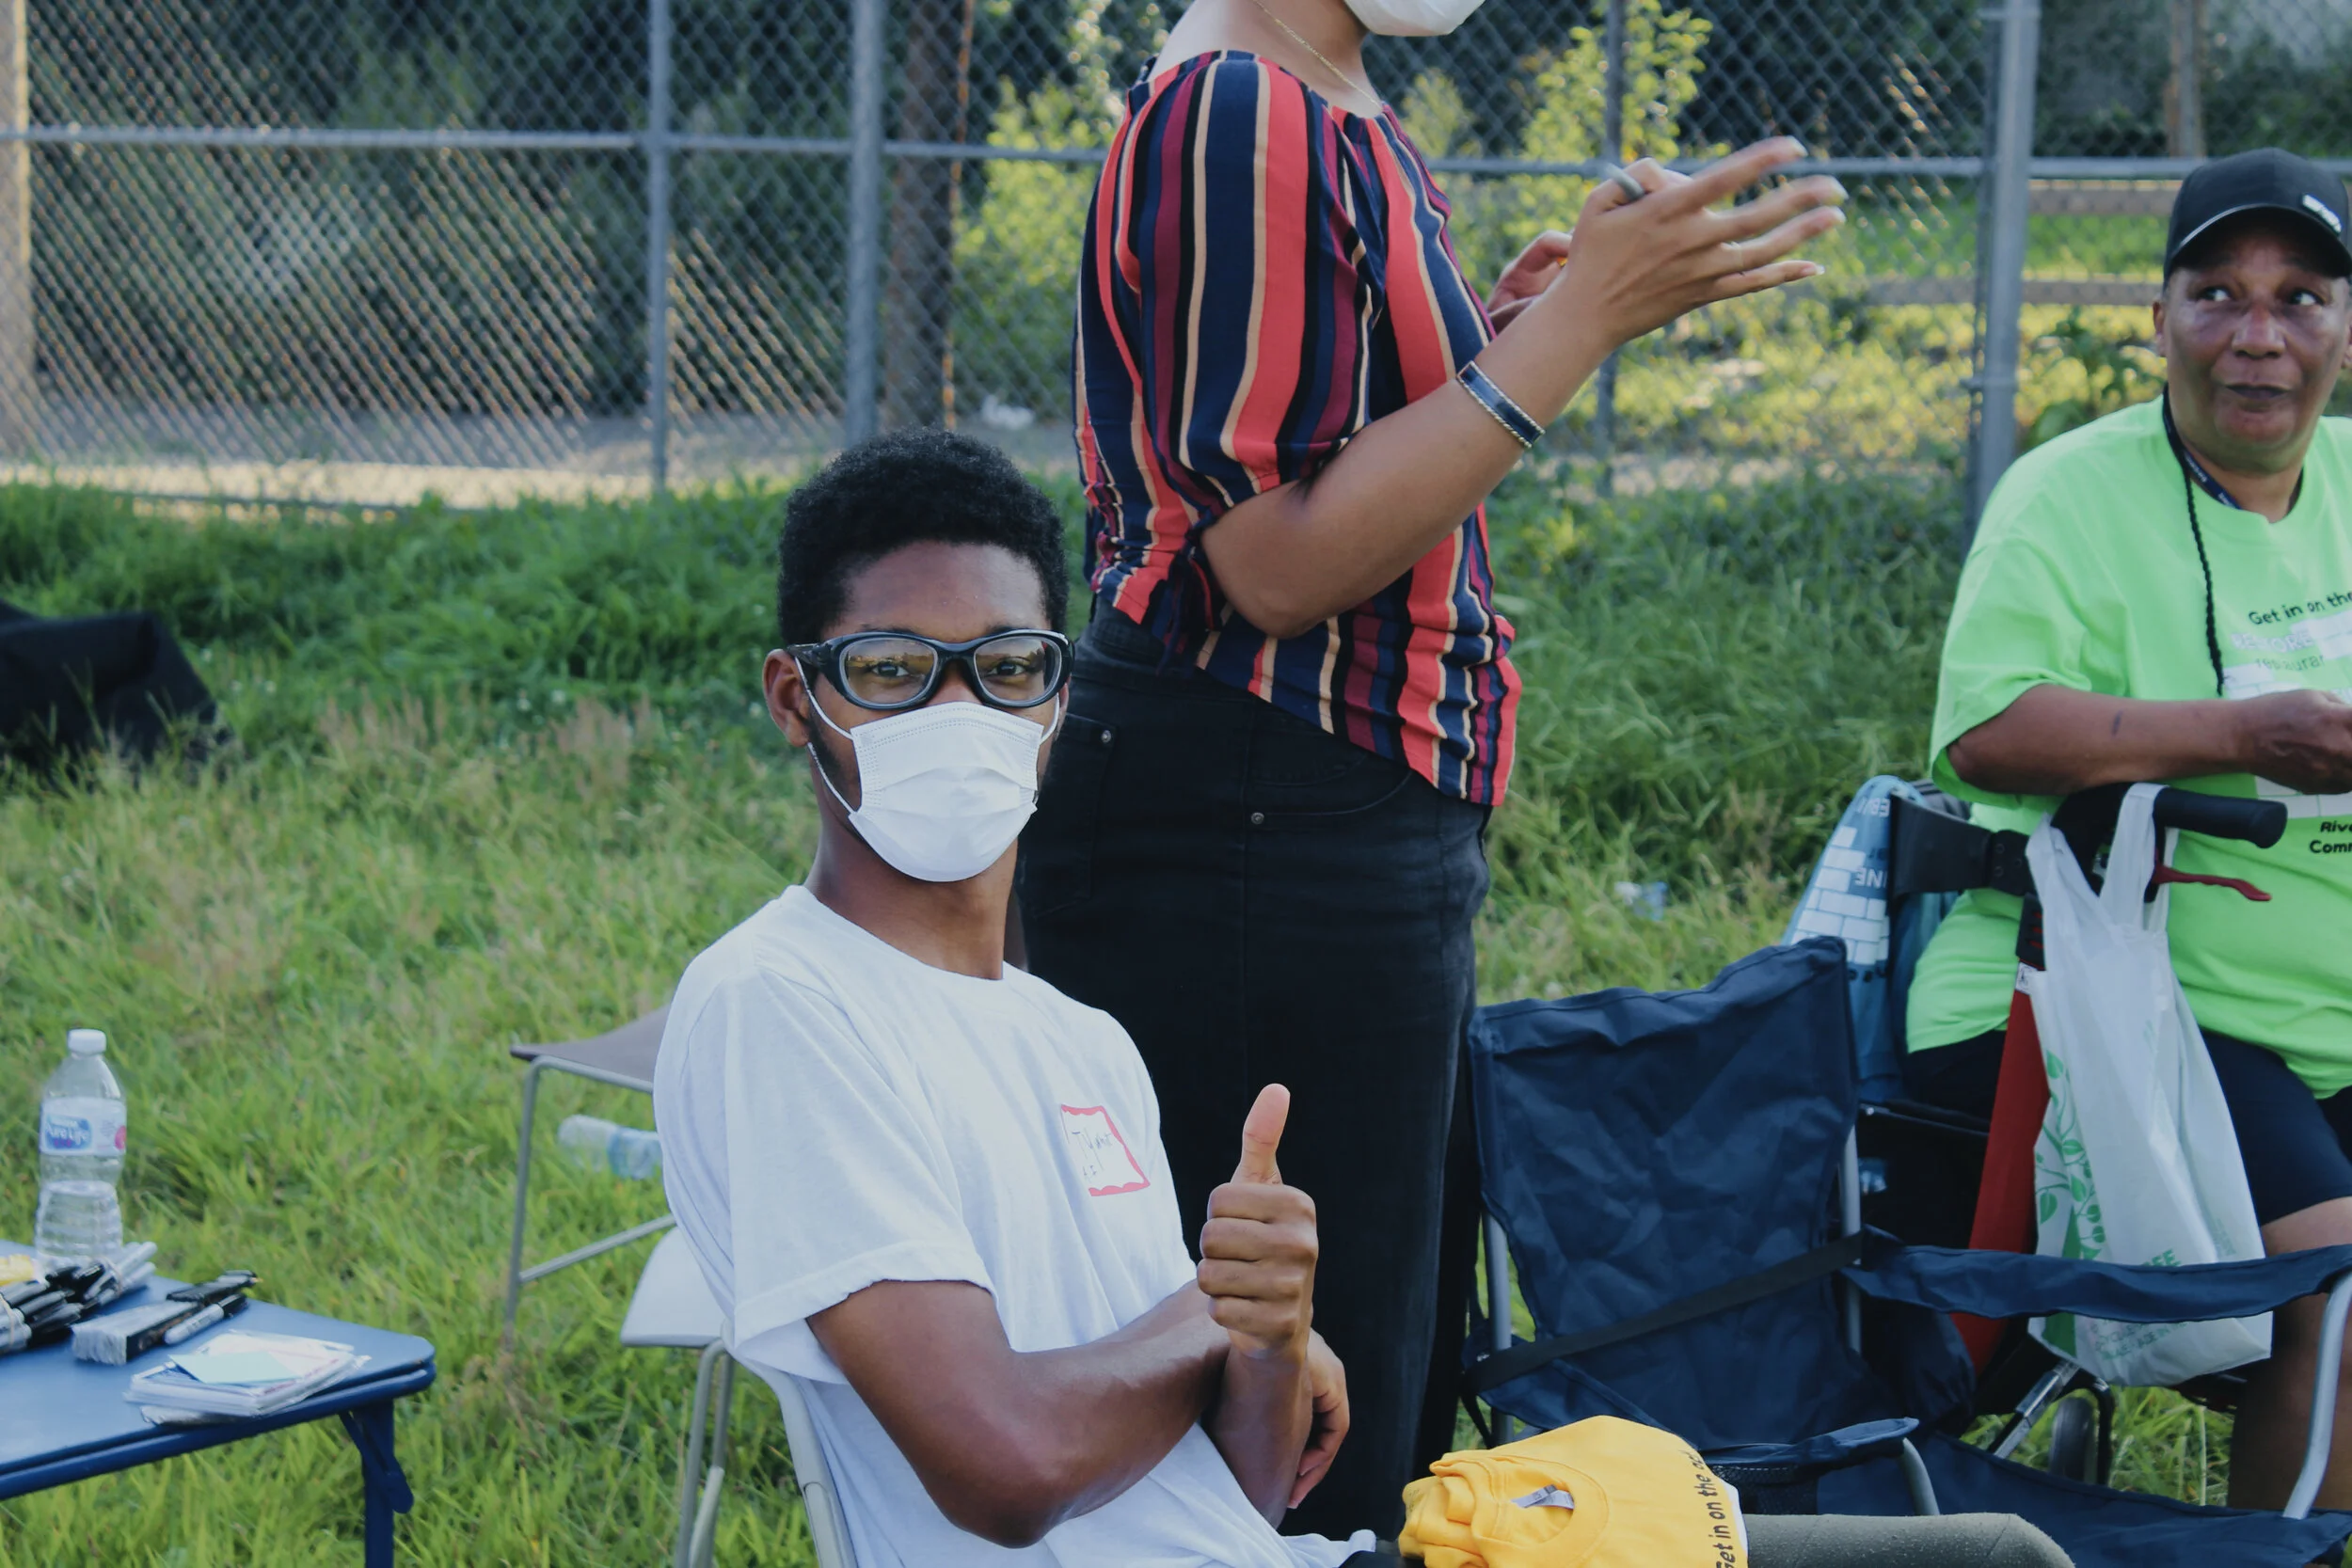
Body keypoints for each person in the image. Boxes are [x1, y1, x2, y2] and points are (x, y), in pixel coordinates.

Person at [653, 428, 2074, 1568]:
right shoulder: (778, 1003)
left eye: (1007, 667)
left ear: (1059, 695)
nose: (958, 714)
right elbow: (1010, 1469)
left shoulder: (1072, 1036)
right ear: (796, 696)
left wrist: (1268, 1340)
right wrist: (1217, 1313)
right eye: (895, 671)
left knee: (1985, 1550)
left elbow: (1247, 1484)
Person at [1019, 0, 1849, 1532]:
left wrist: (1513, 323)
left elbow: (1338, 439)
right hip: (1253, 818)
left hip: (1317, 814)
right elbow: (1270, 561)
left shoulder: (1328, 95)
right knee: (1297, 1426)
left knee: (1376, 1362)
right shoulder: (1240, 110)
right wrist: (1574, 329)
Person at [1903, 148, 2352, 1509]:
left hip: (2322, 1015)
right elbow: (1990, 727)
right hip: (2106, 1004)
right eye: (2216, 293)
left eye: (2300, 298)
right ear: (2155, 321)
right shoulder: (2067, 493)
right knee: (2339, 1291)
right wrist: (2246, 732)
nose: (2258, 336)